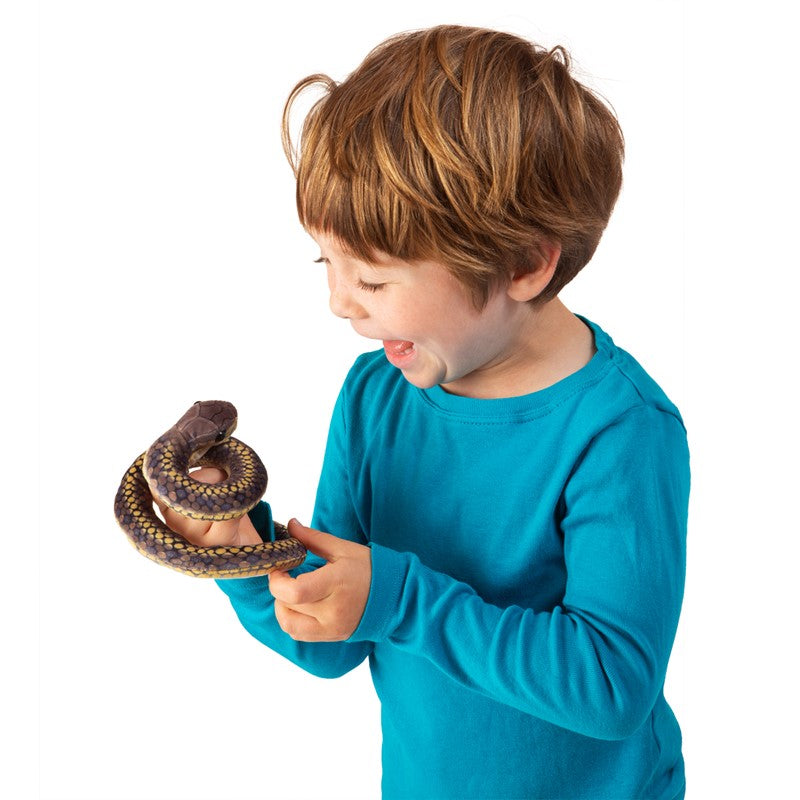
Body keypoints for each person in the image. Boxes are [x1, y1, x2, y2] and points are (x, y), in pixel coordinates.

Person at [158, 24, 690, 800]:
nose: (339, 304)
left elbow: (611, 685)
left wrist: (401, 597)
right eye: (327, 265)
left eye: (373, 282)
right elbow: (335, 639)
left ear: (523, 263)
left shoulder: (621, 429)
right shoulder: (377, 399)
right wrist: (244, 553)